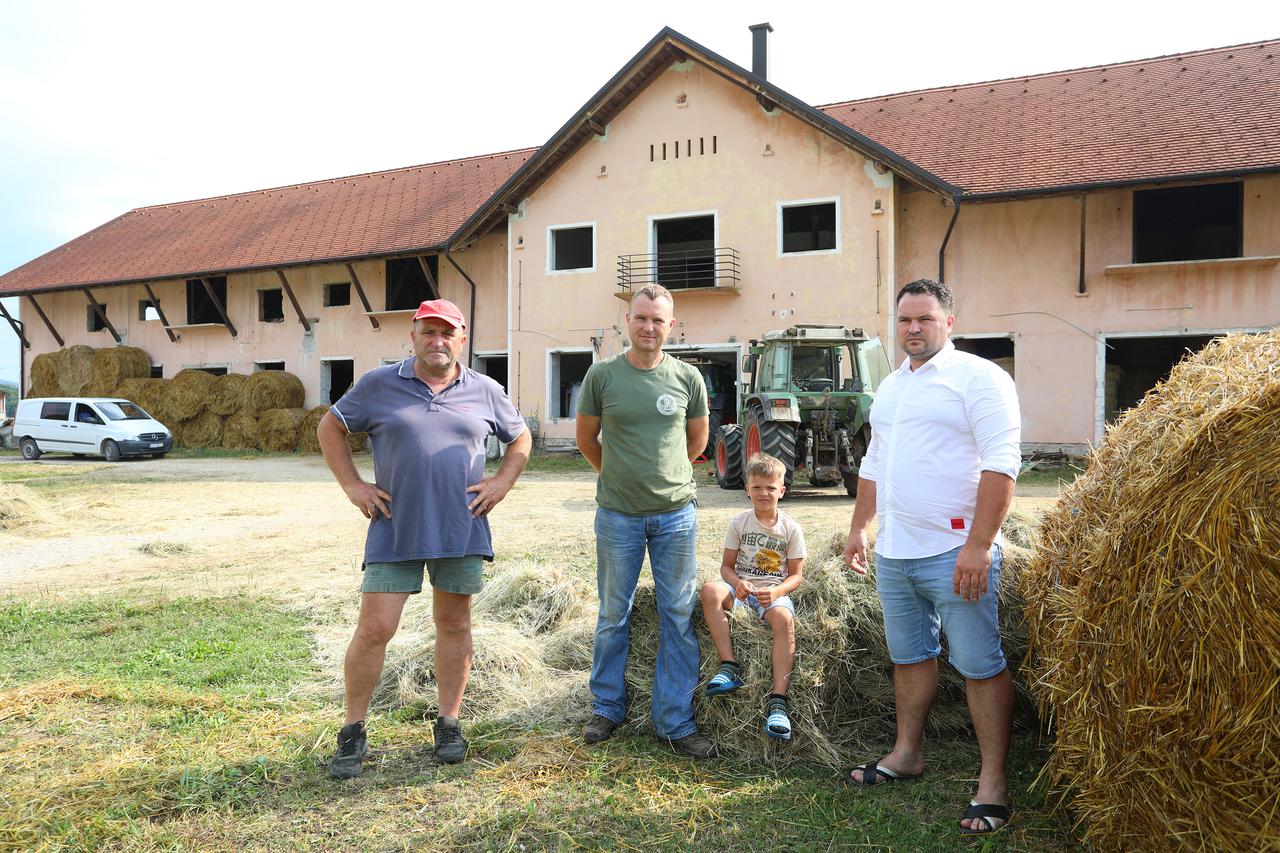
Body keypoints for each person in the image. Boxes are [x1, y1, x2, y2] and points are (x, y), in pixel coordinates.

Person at [317, 298, 531, 779]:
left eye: (447, 333)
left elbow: (520, 439)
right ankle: (352, 731)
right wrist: (353, 485)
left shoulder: (485, 389)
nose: (438, 342)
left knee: (454, 624)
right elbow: (330, 426)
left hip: (461, 527)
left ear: (462, 338)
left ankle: (449, 723)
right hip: (395, 525)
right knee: (375, 628)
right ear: (412, 335)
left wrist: (501, 482)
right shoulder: (378, 385)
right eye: (428, 332)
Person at [843, 279, 1021, 836]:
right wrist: (859, 528)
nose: (913, 329)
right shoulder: (891, 387)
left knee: (979, 663)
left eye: (924, 318)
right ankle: (906, 754)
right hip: (897, 551)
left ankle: (992, 782)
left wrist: (979, 545)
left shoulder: (980, 378)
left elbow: (1001, 463)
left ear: (950, 321)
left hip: (955, 552)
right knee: (910, 656)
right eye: (904, 320)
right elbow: (874, 462)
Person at [574, 283, 716, 759]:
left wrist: (663, 478)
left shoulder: (687, 379)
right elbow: (587, 440)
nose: (649, 327)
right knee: (613, 613)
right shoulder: (602, 377)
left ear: (670, 325)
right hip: (617, 517)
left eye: (658, 320)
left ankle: (674, 721)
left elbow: (697, 443)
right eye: (641, 318)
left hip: (676, 516)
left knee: (677, 615)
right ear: (627, 322)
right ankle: (607, 708)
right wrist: (618, 476)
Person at [699, 452, 806, 741]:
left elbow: (796, 576)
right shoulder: (739, 523)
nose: (763, 493)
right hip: (740, 590)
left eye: (771, 488)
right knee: (710, 590)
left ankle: (778, 702)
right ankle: (729, 666)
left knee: (784, 619)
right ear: (747, 489)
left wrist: (777, 591)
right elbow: (726, 567)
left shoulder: (791, 529)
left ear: (782, 491)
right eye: (757, 487)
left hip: (771, 593)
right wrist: (737, 582)